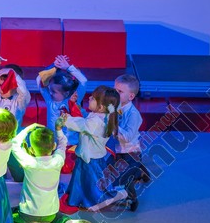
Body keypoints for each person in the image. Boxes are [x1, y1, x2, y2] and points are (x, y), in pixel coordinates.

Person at [10, 121, 93, 223]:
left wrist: (28, 129)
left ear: (31, 150)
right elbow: (63, 143)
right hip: (51, 213)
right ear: (53, 146)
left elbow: (14, 144)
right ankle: (66, 222)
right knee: (58, 215)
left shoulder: (29, 162)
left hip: (28, 214)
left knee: (9, 214)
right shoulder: (58, 160)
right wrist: (58, 129)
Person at [62, 86, 129, 211]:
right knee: (84, 181)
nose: (89, 98)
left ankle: (117, 195)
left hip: (91, 159)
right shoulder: (103, 115)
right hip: (91, 156)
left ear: (101, 107)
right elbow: (85, 117)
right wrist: (75, 105)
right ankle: (82, 199)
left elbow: (81, 124)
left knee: (92, 184)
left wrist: (65, 118)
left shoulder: (96, 122)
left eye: (93, 98)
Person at [0, 56, 31, 182]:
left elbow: (24, 91)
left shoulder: (19, 101)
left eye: (6, 86)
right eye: (0, 85)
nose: (0, 89)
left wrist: (13, 74)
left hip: (12, 142)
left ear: (16, 86)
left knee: (19, 175)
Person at [112, 73, 149, 211]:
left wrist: (112, 125)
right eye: (114, 89)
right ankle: (141, 172)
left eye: (120, 91)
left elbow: (127, 137)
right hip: (119, 149)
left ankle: (132, 199)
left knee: (125, 180)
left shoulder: (134, 115)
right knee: (121, 172)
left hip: (130, 151)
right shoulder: (116, 106)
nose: (115, 93)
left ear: (131, 96)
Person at [36, 55, 88, 147]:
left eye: (54, 92)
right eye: (50, 90)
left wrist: (68, 67)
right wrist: (54, 66)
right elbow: (38, 79)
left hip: (71, 144)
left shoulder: (73, 100)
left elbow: (83, 81)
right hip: (53, 144)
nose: (50, 93)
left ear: (66, 93)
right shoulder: (50, 100)